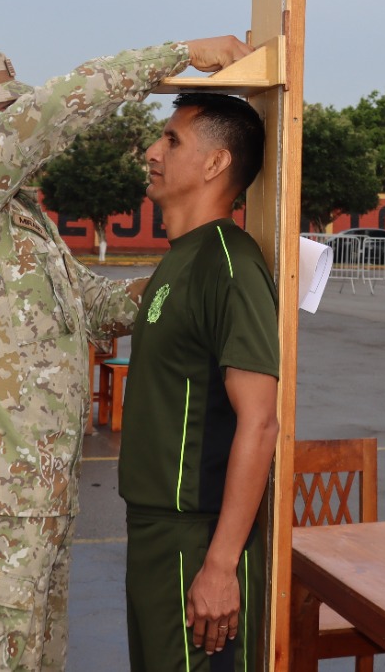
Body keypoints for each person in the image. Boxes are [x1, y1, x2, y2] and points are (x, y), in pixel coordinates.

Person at [0, 37, 249, 672]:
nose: (20, 122)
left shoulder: (18, 216)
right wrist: (179, 53)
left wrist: (192, 275)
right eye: (3, 114)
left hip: (36, 499)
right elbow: (57, 110)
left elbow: (93, 307)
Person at [120, 93, 280, 671]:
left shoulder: (230, 265)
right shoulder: (182, 258)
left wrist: (220, 565)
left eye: (171, 140)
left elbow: (260, 422)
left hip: (196, 537)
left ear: (215, 163)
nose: (151, 151)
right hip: (156, 530)